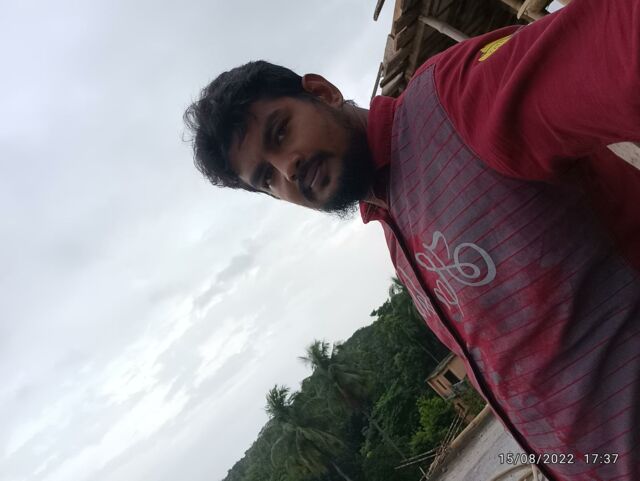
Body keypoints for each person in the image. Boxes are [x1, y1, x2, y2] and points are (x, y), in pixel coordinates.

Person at [183, 0, 640, 479]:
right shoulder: (395, 229)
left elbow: (619, 46)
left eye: (281, 132)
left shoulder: (455, 102)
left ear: (324, 92)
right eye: (266, 178)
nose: (287, 169)